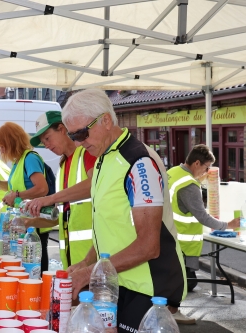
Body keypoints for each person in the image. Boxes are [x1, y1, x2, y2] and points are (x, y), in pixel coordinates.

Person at [62, 89, 186, 333]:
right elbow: (108, 226)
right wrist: (86, 261)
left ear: (106, 120)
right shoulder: (103, 157)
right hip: (117, 281)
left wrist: (88, 273)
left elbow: (149, 245)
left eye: (82, 133)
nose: (78, 142)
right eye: (72, 135)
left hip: (148, 286)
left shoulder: (138, 161)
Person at [167, 144, 239, 324]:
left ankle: (167, 311)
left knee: (170, 278)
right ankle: (173, 312)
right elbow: (202, 217)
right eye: (206, 167)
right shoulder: (189, 185)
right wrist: (228, 225)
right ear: (197, 163)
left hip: (168, 234)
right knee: (179, 281)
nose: (206, 172)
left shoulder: (174, 172)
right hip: (182, 242)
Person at [23, 111, 96, 269]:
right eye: (43, 142)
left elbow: (94, 184)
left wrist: (50, 198)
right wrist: (29, 223)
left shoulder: (87, 154)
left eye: (48, 138)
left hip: (93, 258)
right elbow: (61, 217)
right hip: (72, 260)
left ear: (62, 129)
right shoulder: (63, 166)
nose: (47, 145)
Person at [0, 122, 51, 273]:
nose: (1, 150)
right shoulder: (18, 161)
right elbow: (14, 186)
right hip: (25, 220)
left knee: (34, 265)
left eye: (2, 146)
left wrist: (17, 196)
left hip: (35, 221)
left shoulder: (30, 158)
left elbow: (42, 188)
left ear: (10, 142)